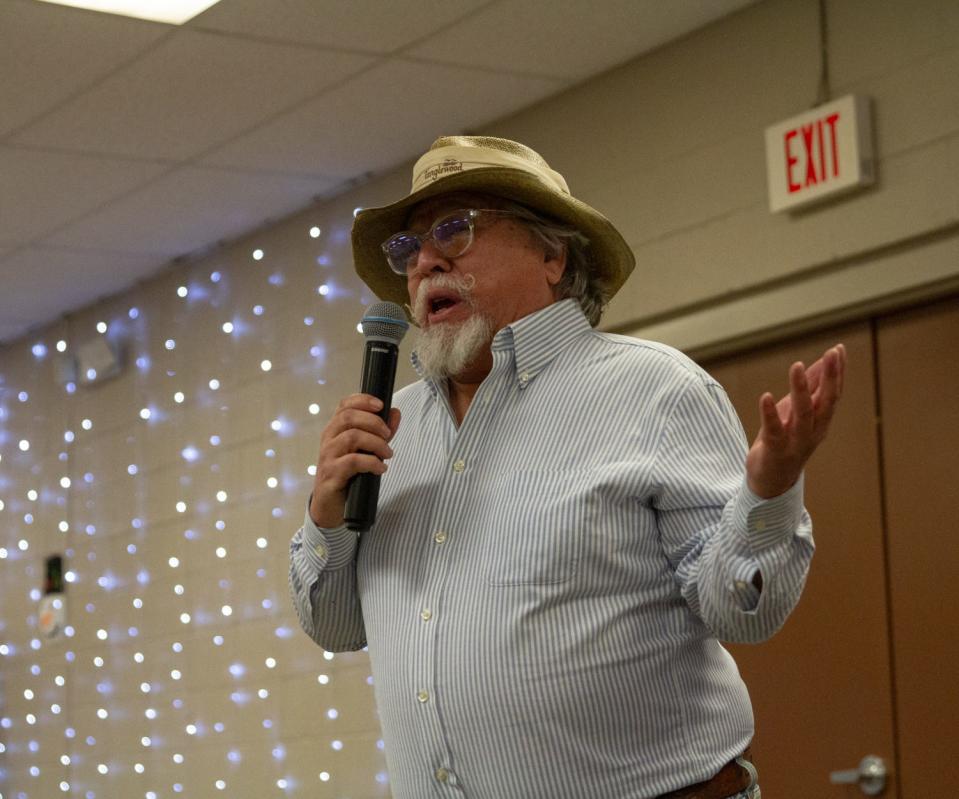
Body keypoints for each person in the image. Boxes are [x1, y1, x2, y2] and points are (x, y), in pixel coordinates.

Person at [289, 136, 845, 798]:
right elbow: (335, 626)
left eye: (453, 230)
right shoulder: (388, 429)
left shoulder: (653, 388)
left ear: (551, 254)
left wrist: (769, 490)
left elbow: (743, 613)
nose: (425, 262)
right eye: (408, 249)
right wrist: (326, 519)